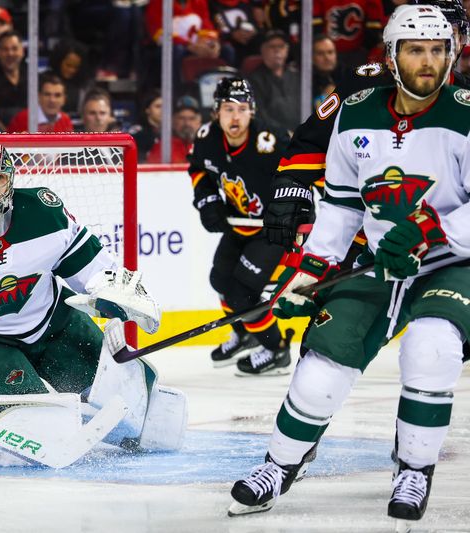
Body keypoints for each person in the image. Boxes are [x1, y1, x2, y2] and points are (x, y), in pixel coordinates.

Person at [228, 6, 470, 527]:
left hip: (453, 263)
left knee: (431, 349)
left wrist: (434, 231)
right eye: (414, 49)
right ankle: (280, 465)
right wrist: (312, 268)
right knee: (319, 372)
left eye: (437, 49)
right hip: (378, 262)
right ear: (391, 55)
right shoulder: (355, 111)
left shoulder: (468, 113)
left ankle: (414, 470)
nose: (428, 61)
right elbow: (341, 205)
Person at [0, 138, 185, 465]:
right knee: (34, 425)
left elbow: (94, 272)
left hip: (54, 324)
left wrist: (119, 295)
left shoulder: (44, 212)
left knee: (139, 408)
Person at [264, 0, 470, 253]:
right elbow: (313, 139)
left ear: (461, 41)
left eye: (449, 33)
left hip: (442, 252)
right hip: (360, 240)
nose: (433, 40)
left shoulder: (466, 99)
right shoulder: (365, 85)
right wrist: (292, 184)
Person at [187, 77, 292, 375]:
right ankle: (245, 334)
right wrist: (208, 201)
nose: (236, 116)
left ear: (252, 112)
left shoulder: (270, 141)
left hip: (272, 229)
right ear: (216, 112)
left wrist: (293, 212)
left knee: (243, 294)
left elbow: (303, 172)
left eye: (242, 109)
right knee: (220, 280)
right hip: (240, 224)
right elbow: (198, 170)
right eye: (228, 108)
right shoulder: (206, 138)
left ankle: (277, 350)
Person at [247, 30, 302, 132]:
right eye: (272, 46)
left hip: (301, 134)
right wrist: (283, 133)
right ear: (263, 50)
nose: (277, 50)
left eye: (281, 46)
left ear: (287, 50)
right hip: (273, 137)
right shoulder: (253, 80)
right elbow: (260, 115)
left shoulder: (297, 76)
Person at [7, 73, 74, 133]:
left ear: (64, 100)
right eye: (47, 94)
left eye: (57, 95)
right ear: (39, 97)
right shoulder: (22, 118)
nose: (52, 100)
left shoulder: (66, 120)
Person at [146, 95, 202, 163]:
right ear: (173, 121)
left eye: (191, 118)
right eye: (181, 118)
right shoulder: (163, 148)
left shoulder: (208, 147)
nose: (187, 123)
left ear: (199, 122)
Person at [128, 89, 162, 162]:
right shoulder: (137, 132)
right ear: (147, 109)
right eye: (158, 106)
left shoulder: (171, 132)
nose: (162, 110)